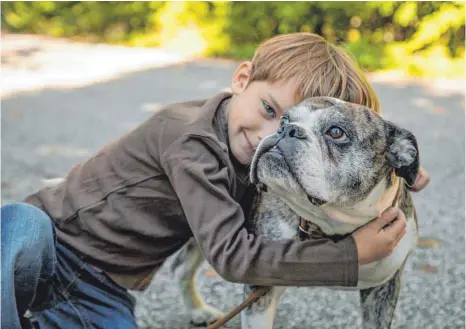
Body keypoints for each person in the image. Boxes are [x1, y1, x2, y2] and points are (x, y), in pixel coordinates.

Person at [1, 33, 430, 329]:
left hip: (101, 287)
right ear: (242, 79)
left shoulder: (258, 152)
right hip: (52, 245)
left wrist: (397, 165)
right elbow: (231, 257)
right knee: (21, 224)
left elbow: (361, 146)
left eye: (300, 130)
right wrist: (350, 256)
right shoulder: (189, 141)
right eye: (270, 111)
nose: (272, 137)